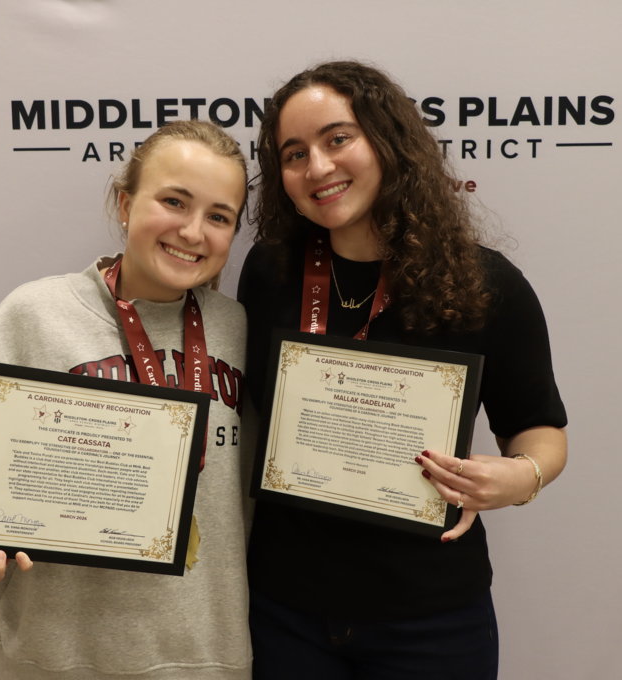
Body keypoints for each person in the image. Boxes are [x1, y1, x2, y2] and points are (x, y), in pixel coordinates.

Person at [238, 61, 568, 680]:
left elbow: (541, 430)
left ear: (387, 141)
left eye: (338, 138)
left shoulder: (486, 283)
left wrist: (518, 477)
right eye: (294, 153)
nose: (318, 167)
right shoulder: (269, 271)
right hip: (286, 613)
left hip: (432, 619)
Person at [0, 120, 253, 680]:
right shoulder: (36, 313)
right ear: (125, 203)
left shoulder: (237, 326)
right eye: (174, 201)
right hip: (53, 655)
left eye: (219, 216)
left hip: (206, 654)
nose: (193, 231)